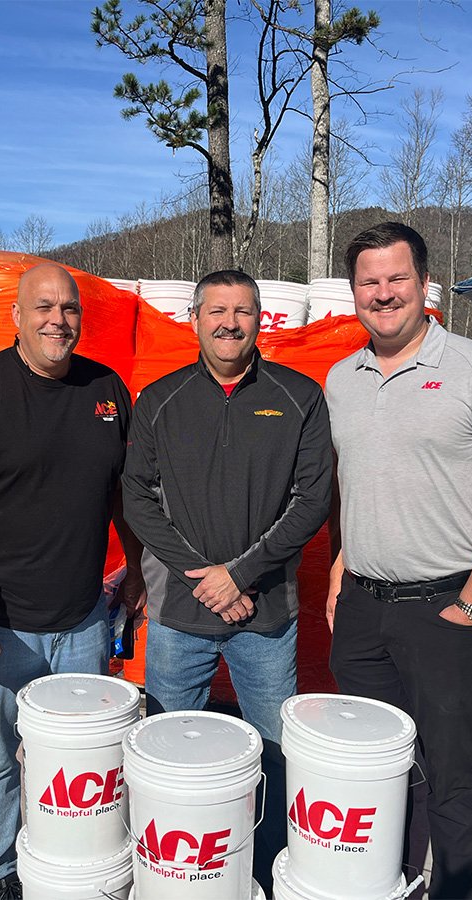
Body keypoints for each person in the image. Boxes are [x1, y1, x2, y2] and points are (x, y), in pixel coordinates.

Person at [0, 262, 144, 900]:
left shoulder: (105, 390)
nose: (58, 320)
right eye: (43, 307)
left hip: (82, 618)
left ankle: (74, 865)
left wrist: (137, 565)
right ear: (16, 315)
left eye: (69, 309)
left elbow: (121, 489)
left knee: (83, 761)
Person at [325, 222, 472, 900]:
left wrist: (471, 603)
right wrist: (339, 570)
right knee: (374, 766)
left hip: (444, 608)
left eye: (396, 279)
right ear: (353, 290)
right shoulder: (341, 379)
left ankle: (449, 890)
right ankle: (378, 881)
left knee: (449, 774)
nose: (383, 294)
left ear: (423, 284)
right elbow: (355, 488)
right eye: (369, 281)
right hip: (362, 610)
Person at [122, 268, 332, 890]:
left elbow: (313, 500)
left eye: (242, 311)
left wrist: (240, 575)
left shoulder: (300, 397)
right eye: (217, 310)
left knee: (271, 755)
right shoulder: (159, 400)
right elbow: (137, 499)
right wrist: (204, 580)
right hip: (180, 618)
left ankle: (264, 873)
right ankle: (166, 872)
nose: (229, 322)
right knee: (164, 750)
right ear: (195, 318)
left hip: (264, 619)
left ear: (259, 319)